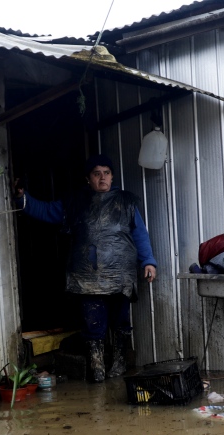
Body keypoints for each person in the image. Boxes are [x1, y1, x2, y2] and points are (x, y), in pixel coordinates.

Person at [14, 154, 157, 382]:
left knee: (120, 321)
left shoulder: (126, 202)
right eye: (97, 173)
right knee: (94, 322)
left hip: (121, 273)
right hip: (87, 274)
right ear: (88, 178)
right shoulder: (74, 202)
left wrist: (148, 261)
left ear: (112, 176)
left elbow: (139, 234)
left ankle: (120, 362)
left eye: (107, 173)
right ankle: (97, 366)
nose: (102, 178)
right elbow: (45, 211)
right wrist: (23, 198)